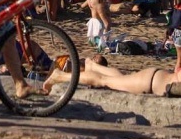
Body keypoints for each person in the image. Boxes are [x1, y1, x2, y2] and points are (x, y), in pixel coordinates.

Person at [43, 40, 181, 97]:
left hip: (155, 77)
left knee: (119, 78)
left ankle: (92, 65)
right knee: (104, 81)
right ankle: (60, 76)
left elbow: (178, 39)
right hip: (149, 83)